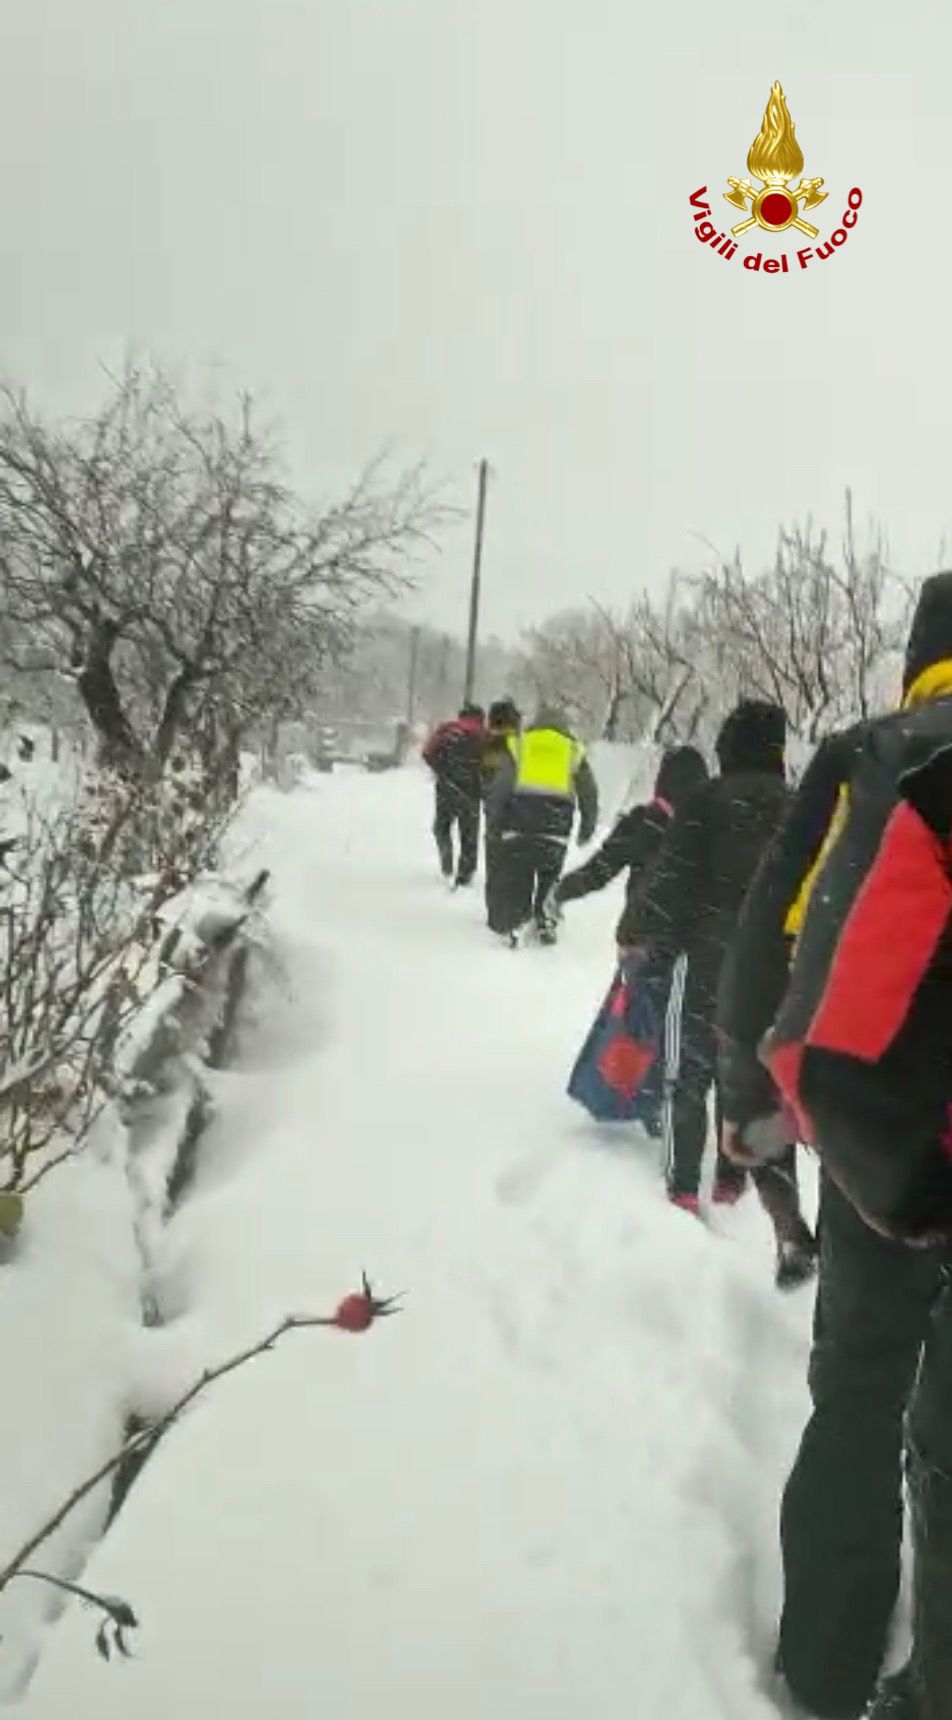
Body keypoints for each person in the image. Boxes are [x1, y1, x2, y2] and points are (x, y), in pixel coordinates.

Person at [716, 569, 952, 1720]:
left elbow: (770, 940)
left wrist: (745, 1104)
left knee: (860, 1385)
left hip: (877, 1150)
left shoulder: (866, 754)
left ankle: (827, 1666)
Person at [618, 699, 816, 1285]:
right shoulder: (799, 806)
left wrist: (635, 932)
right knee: (757, 1083)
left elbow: (670, 877)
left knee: (688, 1072)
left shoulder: (706, 801)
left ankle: (682, 1192)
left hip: (706, 960)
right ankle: (744, 1187)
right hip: (778, 970)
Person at [556, 745, 708, 930]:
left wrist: (558, 893)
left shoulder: (642, 822)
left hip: (643, 932)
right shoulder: (711, 825)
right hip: (694, 937)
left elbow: (599, 870)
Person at [486, 703, 598, 945]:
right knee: (549, 873)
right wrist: (587, 826)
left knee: (520, 874)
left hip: (518, 826)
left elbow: (500, 787)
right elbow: (589, 792)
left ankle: (518, 920)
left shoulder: (521, 745)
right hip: (555, 829)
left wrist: (494, 821)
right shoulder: (572, 750)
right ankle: (545, 916)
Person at [421, 704, 485, 887]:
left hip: (446, 787)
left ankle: (446, 860)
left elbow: (427, 753)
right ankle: (465, 873)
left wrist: (441, 770)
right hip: (472, 790)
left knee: (441, 827)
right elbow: (491, 763)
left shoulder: (446, 730)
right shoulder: (483, 735)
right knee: (469, 834)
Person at [479, 699, 522, 932]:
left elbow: (483, 778)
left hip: (494, 812)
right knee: (515, 867)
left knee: (495, 865)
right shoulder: (520, 744)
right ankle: (515, 914)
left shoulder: (487, 745)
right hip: (521, 813)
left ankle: (495, 916)